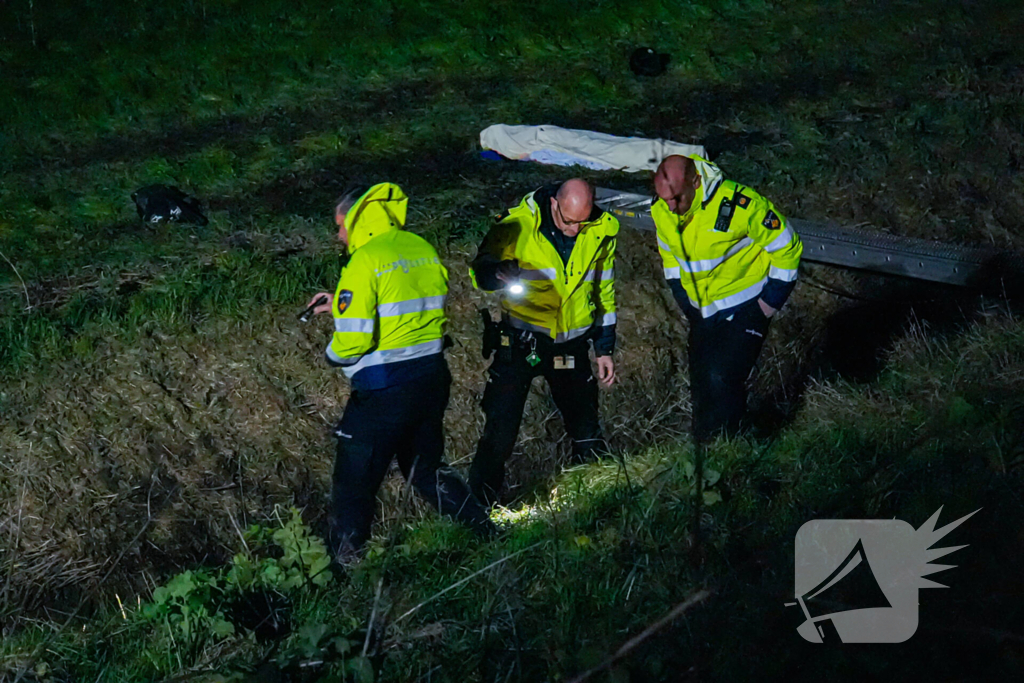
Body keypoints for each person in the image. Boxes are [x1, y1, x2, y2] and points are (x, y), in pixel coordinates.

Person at [306, 182, 494, 562]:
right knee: (426, 470)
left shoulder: (365, 260)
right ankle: (487, 533)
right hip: (431, 377)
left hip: (383, 389)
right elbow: (402, 304)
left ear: (356, 219)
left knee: (353, 481)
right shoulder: (418, 248)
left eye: (340, 226)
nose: (339, 236)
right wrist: (340, 302)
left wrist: (331, 356)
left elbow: (354, 342)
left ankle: (347, 570)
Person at [468, 178, 619, 506]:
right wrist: (498, 273)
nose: (575, 230)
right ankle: (477, 510)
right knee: (499, 432)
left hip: (572, 344)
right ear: (553, 204)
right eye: (569, 220)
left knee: (586, 430)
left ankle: (596, 500)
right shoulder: (516, 225)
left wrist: (604, 348)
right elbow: (479, 272)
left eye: (582, 222)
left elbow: (604, 289)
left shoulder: (602, 229)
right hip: (521, 342)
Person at [651, 155, 802, 444]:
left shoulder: (741, 206)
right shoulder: (662, 207)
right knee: (701, 382)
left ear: (696, 182)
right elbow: (669, 254)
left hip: (745, 307)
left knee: (723, 378)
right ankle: (706, 446)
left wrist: (766, 305)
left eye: (676, 199)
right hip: (702, 311)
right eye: (663, 198)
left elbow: (787, 248)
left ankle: (732, 449)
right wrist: (682, 296)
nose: (669, 206)